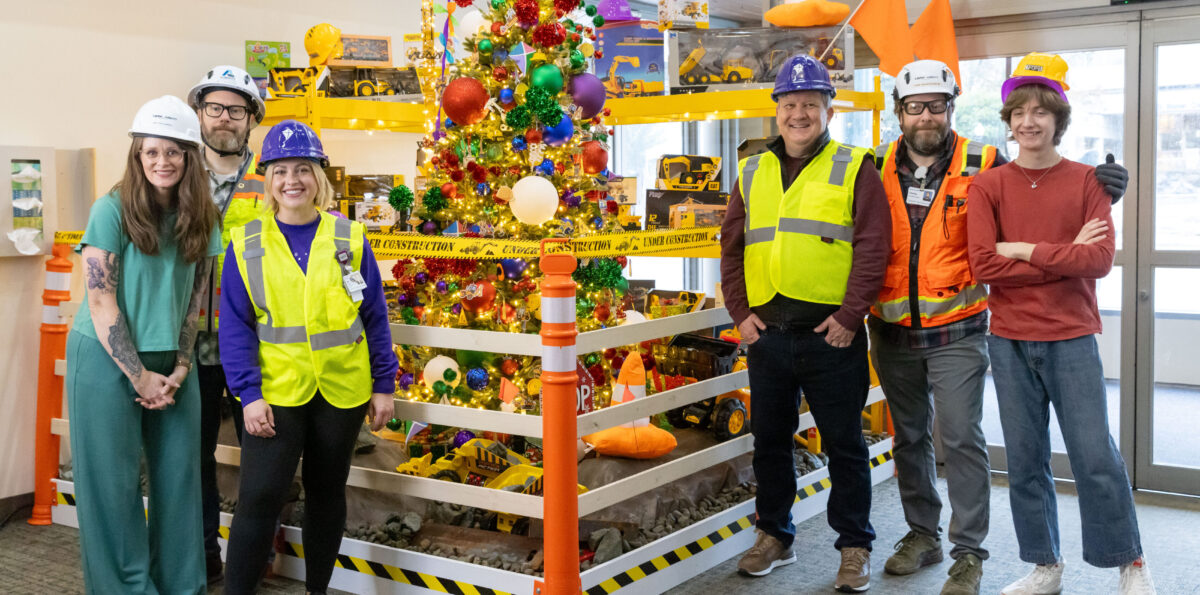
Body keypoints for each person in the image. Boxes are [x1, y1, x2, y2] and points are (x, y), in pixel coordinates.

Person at [868, 60, 1129, 595]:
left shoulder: (984, 162)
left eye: (936, 106)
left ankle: (969, 552)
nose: (925, 116)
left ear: (951, 110)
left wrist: (1103, 189)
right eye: (914, 106)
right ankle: (922, 535)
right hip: (891, 329)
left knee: (963, 439)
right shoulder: (870, 168)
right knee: (910, 438)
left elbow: (1039, 184)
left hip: (962, 329)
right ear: (900, 111)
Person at [966, 52, 1155, 595]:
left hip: (1071, 336)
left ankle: (1131, 563)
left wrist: (1022, 249)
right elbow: (983, 266)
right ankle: (1044, 565)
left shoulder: (1087, 182)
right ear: (1008, 122)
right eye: (1018, 111)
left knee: (1095, 455)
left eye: (1040, 111)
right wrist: (1059, 255)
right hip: (1008, 341)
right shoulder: (988, 187)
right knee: (1025, 461)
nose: (1028, 121)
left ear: (1058, 120)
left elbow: (1096, 262)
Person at [720, 54, 890, 592]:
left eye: (810, 104)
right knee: (768, 441)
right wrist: (740, 314)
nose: (799, 114)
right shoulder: (752, 168)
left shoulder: (854, 165)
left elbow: (872, 247)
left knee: (845, 444)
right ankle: (774, 535)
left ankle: (854, 546)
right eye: (790, 104)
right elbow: (730, 248)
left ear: (828, 110)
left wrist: (849, 316)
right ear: (777, 112)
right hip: (767, 336)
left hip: (830, 336)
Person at [220, 119, 398, 595]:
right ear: (268, 180)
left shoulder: (350, 238)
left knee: (325, 494)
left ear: (319, 177)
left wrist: (384, 385)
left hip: (341, 392)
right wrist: (248, 394)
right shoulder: (246, 244)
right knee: (259, 497)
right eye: (280, 171)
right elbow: (235, 327)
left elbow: (374, 316)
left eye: (303, 169)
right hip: (276, 394)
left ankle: (316, 590)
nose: (291, 180)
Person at [66, 95, 222, 593]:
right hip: (106, 357)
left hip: (172, 363)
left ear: (190, 157)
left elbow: (195, 303)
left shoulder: (203, 217)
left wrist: (179, 367)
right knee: (111, 487)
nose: (163, 162)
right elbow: (101, 303)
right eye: (152, 152)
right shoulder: (110, 210)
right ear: (137, 155)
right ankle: (125, 588)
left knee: (180, 481)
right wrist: (139, 375)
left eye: (174, 152)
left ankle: (181, 585)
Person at [185, 63, 267, 584]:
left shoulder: (273, 178)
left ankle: (250, 561)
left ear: (250, 120)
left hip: (251, 346)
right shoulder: (174, 174)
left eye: (235, 110)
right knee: (194, 465)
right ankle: (205, 559)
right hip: (188, 347)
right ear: (199, 114)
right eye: (214, 108)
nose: (224, 119)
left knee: (261, 468)